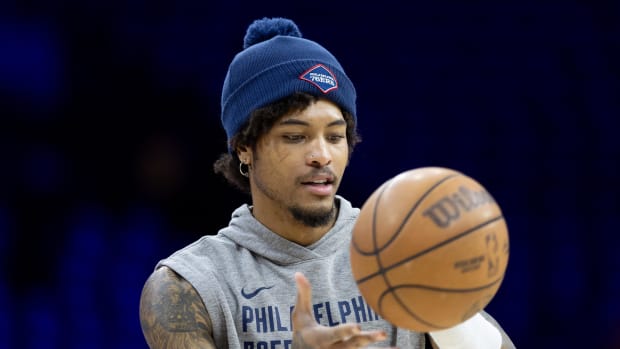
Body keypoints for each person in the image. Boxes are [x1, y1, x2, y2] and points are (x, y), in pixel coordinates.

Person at [139, 17, 516, 348]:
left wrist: (441, 302)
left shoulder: (403, 245)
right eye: (295, 136)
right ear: (244, 148)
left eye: (335, 137)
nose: (321, 155)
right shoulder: (186, 286)